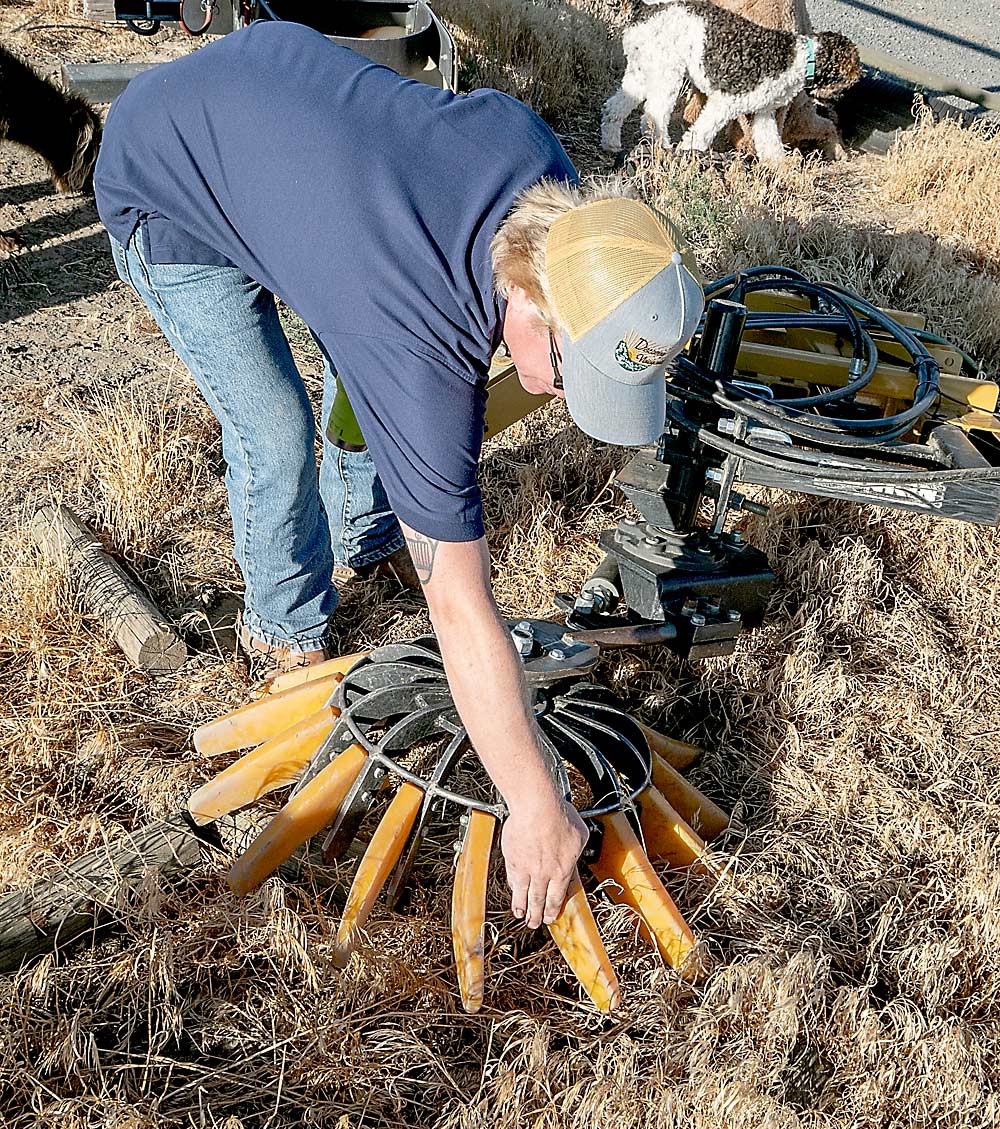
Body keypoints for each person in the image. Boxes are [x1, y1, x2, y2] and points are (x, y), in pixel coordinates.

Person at [94, 19, 704, 931]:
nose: (560, 395)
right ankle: (283, 630)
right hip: (168, 172)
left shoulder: (549, 188)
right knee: (276, 432)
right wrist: (536, 803)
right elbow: (459, 606)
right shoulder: (414, 344)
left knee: (365, 357)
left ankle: (368, 533)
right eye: (574, 373)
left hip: (279, 109)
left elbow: (401, 306)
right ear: (530, 301)